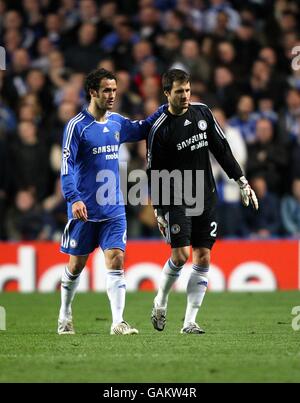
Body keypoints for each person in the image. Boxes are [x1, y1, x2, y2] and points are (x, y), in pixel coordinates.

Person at [148, 69, 258, 334]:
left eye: (187, 90)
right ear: (166, 94)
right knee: (181, 255)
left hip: (206, 194)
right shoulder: (160, 129)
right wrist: (159, 211)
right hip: (176, 197)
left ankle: (189, 322)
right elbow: (155, 172)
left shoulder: (203, 113)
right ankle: (160, 301)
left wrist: (241, 180)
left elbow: (221, 148)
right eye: (179, 92)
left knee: (203, 257)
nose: (185, 96)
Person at [58, 68, 163, 335]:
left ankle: (118, 322)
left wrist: (166, 108)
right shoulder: (77, 126)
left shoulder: (116, 122)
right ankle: (65, 313)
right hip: (84, 210)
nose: (112, 95)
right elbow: (66, 166)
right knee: (76, 265)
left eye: (114, 90)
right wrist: (74, 199)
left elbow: (142, 128)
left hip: (114, 208)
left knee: (116, 259)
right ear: (93, 92)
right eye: (107, 90)